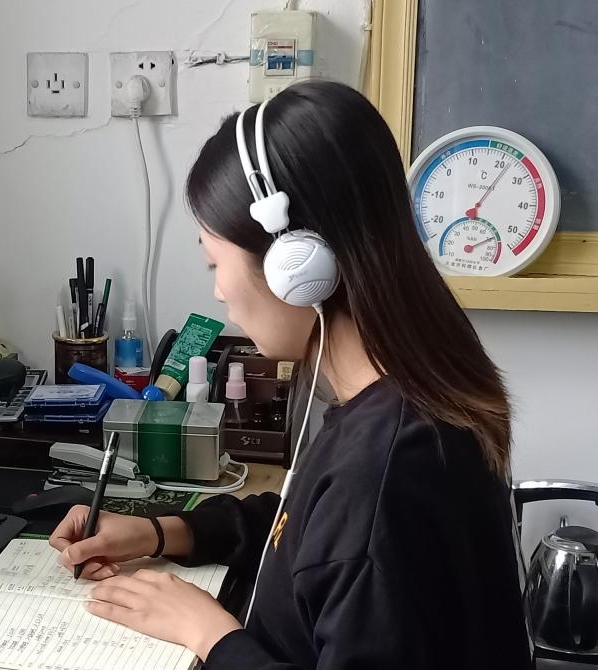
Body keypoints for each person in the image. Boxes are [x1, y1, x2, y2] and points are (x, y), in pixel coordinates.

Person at [50, 81, 532, 669]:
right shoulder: (404, 397)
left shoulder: (380, 473)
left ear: (296, 266)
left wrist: (209, 634)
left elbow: (347, 542)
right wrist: (160, 532)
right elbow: (303, 532)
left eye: (214, 262)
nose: (218, 291)